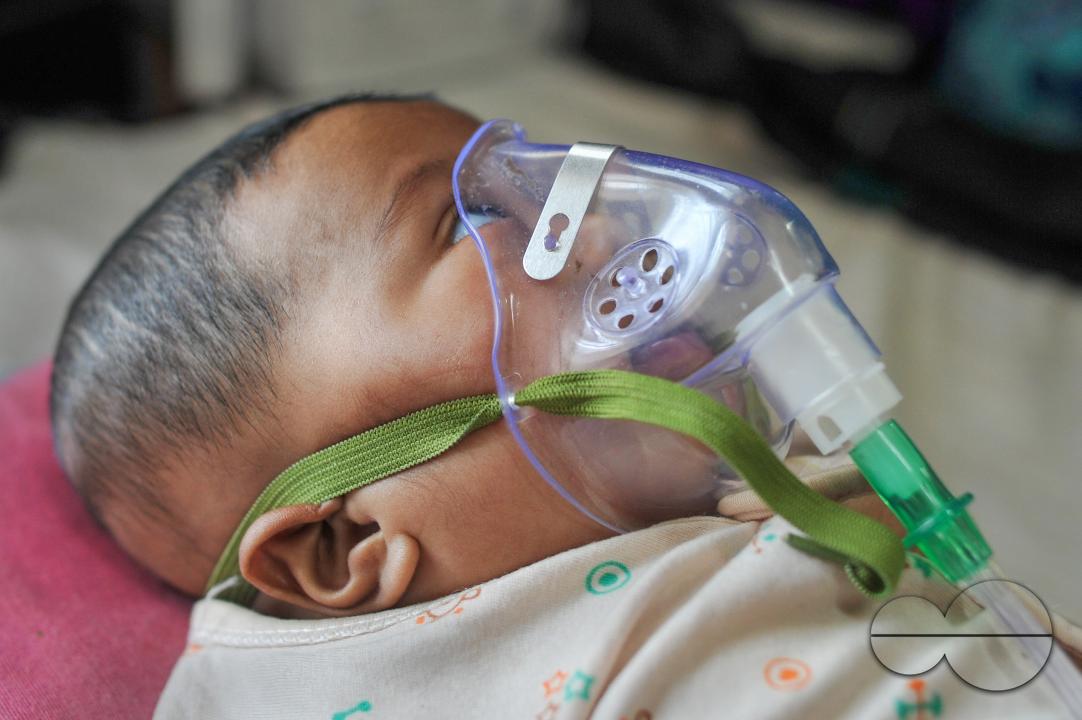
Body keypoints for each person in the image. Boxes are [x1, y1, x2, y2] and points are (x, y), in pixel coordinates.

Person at [50, 95, 1075, 718]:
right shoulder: (355, 687)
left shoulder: (741, 511)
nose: (585, 224)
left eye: (523, 177)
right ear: (344, 539)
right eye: (468, 217)